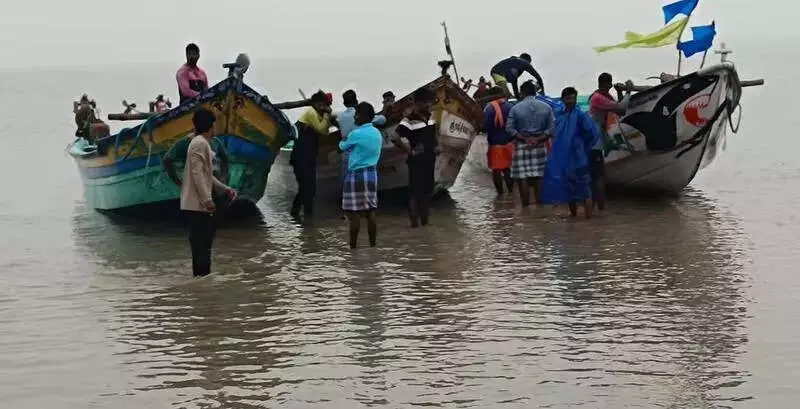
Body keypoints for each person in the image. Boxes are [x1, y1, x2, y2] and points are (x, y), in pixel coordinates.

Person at [180, 108, 237, 277]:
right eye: (214, 124)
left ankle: (201, 281)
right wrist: (207, 199)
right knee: (202, 245)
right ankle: (201, 280)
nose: (215, 128)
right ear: (210, 126)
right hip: (199, 205)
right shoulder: (200, 143)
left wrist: (225, 189)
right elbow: (197, 174)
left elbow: (207, 175)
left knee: (203, 245)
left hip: (199, 204)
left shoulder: (200, 142)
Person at [542, 87, 602, 218]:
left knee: (585, 189)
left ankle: (588, 219)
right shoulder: (559, 114)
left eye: (573, 98)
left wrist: (583, 145)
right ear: (563, 99)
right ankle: (573, 217)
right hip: (564, 158)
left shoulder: (581, 115)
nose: (571, 101)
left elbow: (592, 133)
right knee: (568, 189)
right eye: (568, 98)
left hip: (578, 157)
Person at [338, 102, 383, 248]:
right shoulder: (377, 133)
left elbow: (342, 147)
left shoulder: (355, 134)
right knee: (371, 212)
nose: (355, 117)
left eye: (357, 114)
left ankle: (353, 248)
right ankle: (373, 246)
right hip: (372, 174)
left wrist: (343, 140)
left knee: (354, 213)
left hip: (356, 175)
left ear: (363, 116)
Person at [392, 88, 439, 227]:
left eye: (430, 102)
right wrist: (410, 151)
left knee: (427, 192)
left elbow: (434, 132)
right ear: (418, 103)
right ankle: (414, 226)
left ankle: (425, 225)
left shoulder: (431, 117)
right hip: (416, 161)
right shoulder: (409, 120)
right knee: (415, 194)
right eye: (427, 102)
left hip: (430, 159)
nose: (429, 105)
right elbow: (395, 137)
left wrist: (437, 145)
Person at [505, 80, 555, 207]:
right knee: (539, 176)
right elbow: (552, 128)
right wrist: (539, 138)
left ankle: (525, 207)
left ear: (522, 93)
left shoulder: (515, 108)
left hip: (522, 144)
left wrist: (523, 137)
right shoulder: (546, 107)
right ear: (535, 92)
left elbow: (509, 128)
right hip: (540, 144)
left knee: (523, 177)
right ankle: (539, 205)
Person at [588, 73, 630, 211]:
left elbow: (620, 111)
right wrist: (628, 92)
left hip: (596, 141)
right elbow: (622, 108)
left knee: (597, 175)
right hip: (594, 142)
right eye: (610, 84)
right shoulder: (598, 98)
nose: (611, 86)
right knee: (598, 176)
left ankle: (596, 208)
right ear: (607, 84)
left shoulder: (603, 97)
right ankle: (599, 209)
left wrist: (620, 93)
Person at [290, 90, 332, 217]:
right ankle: (302, 215)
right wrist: (327, 115)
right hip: (301, 157)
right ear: (315, 104)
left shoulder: (317, 116)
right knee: (306, 187)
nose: (323, 107)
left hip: (309, 157)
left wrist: (326, 117)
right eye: (321, 105)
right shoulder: (311, 112)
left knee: (310, 188)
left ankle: (302, 216)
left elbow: (325, 131)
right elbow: (322, 130)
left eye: (325, 105)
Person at [162, 131, 230, 203]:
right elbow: (167, 160)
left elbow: (224, 158)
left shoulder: (214, 141)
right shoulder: (185, 143)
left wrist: (223, 177)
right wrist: (179, 182)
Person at [483, 86, 515, 195]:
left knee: (496, 170)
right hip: (509, 143)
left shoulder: (489, 108)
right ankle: (511, 193)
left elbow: (486, 127)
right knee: (507, 169)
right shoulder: (510, 106)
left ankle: (500, 195)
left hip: (495, 143)